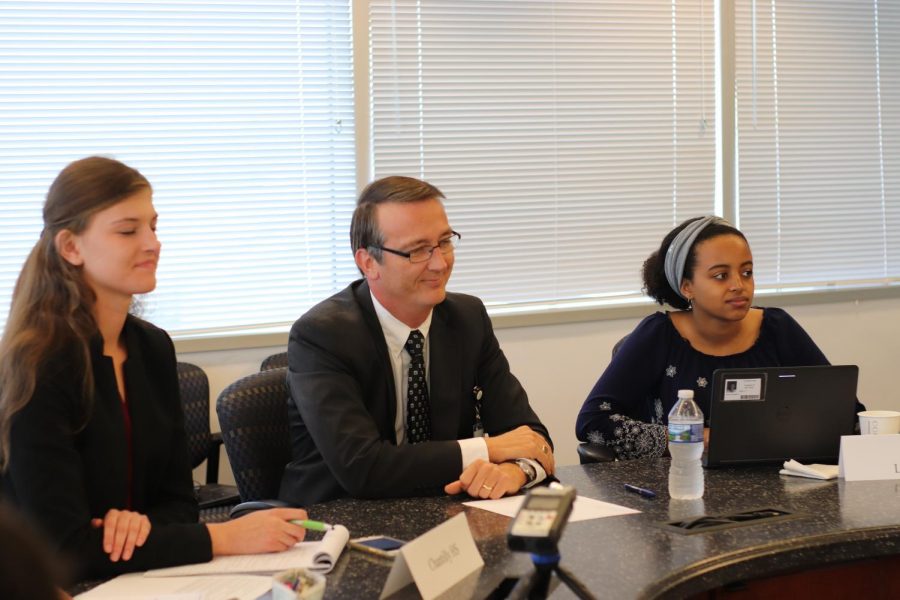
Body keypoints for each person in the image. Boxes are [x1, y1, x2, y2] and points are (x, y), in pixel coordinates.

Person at [0, 156, 310, 582]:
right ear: (71, 247)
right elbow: (60, 549)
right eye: (128, 230)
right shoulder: (38, 363)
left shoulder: (152, 347)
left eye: (153, 226)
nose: (152, 243)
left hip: (138, 578)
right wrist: (223, 538)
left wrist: (134, 525)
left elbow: (178, 504)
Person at [279, 175, 555, 506]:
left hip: (444, 514)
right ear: (369, 263)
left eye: (445, 242)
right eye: (418, 250)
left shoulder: (467, 318)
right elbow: (363, 467)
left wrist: (514, 472)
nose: (440, 263)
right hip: (339, 518)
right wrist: (490, 449)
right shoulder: (322, 335)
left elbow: (530, 436)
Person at [575, 216, 865, 459]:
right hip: (681, 487)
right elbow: (593, 422)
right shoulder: (658, 335)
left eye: (747, 272)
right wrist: (694, 437)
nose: (739, 286)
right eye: (720, 276)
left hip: (783, 480)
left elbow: (844, 412)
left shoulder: (777, 327)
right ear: (687, 286)